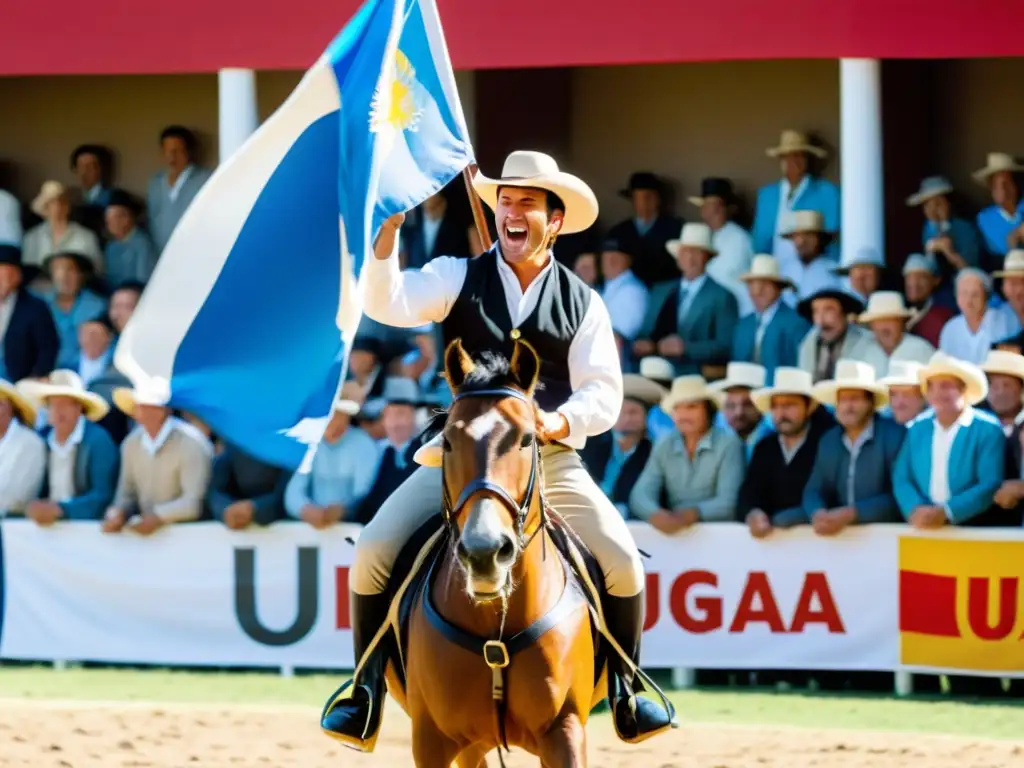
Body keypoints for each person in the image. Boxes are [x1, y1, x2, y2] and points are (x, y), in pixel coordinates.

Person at [321, 151, 674, 748]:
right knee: (374, 550)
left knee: (621, 559)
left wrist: (555, 421)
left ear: (554, 221)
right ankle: (365, 691)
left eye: (527, 204)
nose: (512, 211)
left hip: (547, 459)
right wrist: (386, 243)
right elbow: (389, 303)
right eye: (505, 201)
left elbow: (605, 395)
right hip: (459, 459)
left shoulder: (583, 301)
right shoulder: (458, 275)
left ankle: (628, 687)